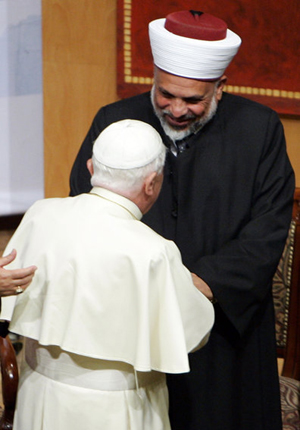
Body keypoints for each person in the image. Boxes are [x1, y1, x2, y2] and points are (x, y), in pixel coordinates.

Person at [69, 10, 295, 430]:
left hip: (225, 327)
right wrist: (146, 290)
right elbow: (86, 208)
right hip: (133, 320)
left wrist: (194, 288)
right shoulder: (114, 121)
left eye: (194, 100)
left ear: (220, 88)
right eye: (166, 95)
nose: (176, 109)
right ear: (153, 78)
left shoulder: (260, 129)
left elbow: (267, 230)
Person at [0, 119, 214, 430]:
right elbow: (192, 334)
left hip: (37, 394)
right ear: (151, 182)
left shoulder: (40, 214)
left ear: (90, 167)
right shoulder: (154, 250)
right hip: (115, 409)